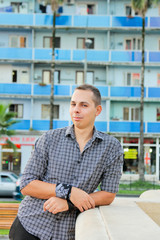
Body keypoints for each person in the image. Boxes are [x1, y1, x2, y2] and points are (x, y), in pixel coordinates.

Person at [9, 84, 124, 240]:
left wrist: (70, 202)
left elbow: (108, 194)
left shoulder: (111, 147)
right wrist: (68, 191)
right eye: (73, 104)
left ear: (97, 110)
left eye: (84, 105)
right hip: (30, 226)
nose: (76, 109)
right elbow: (26, 184)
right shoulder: (49, 139)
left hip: (67, 234)